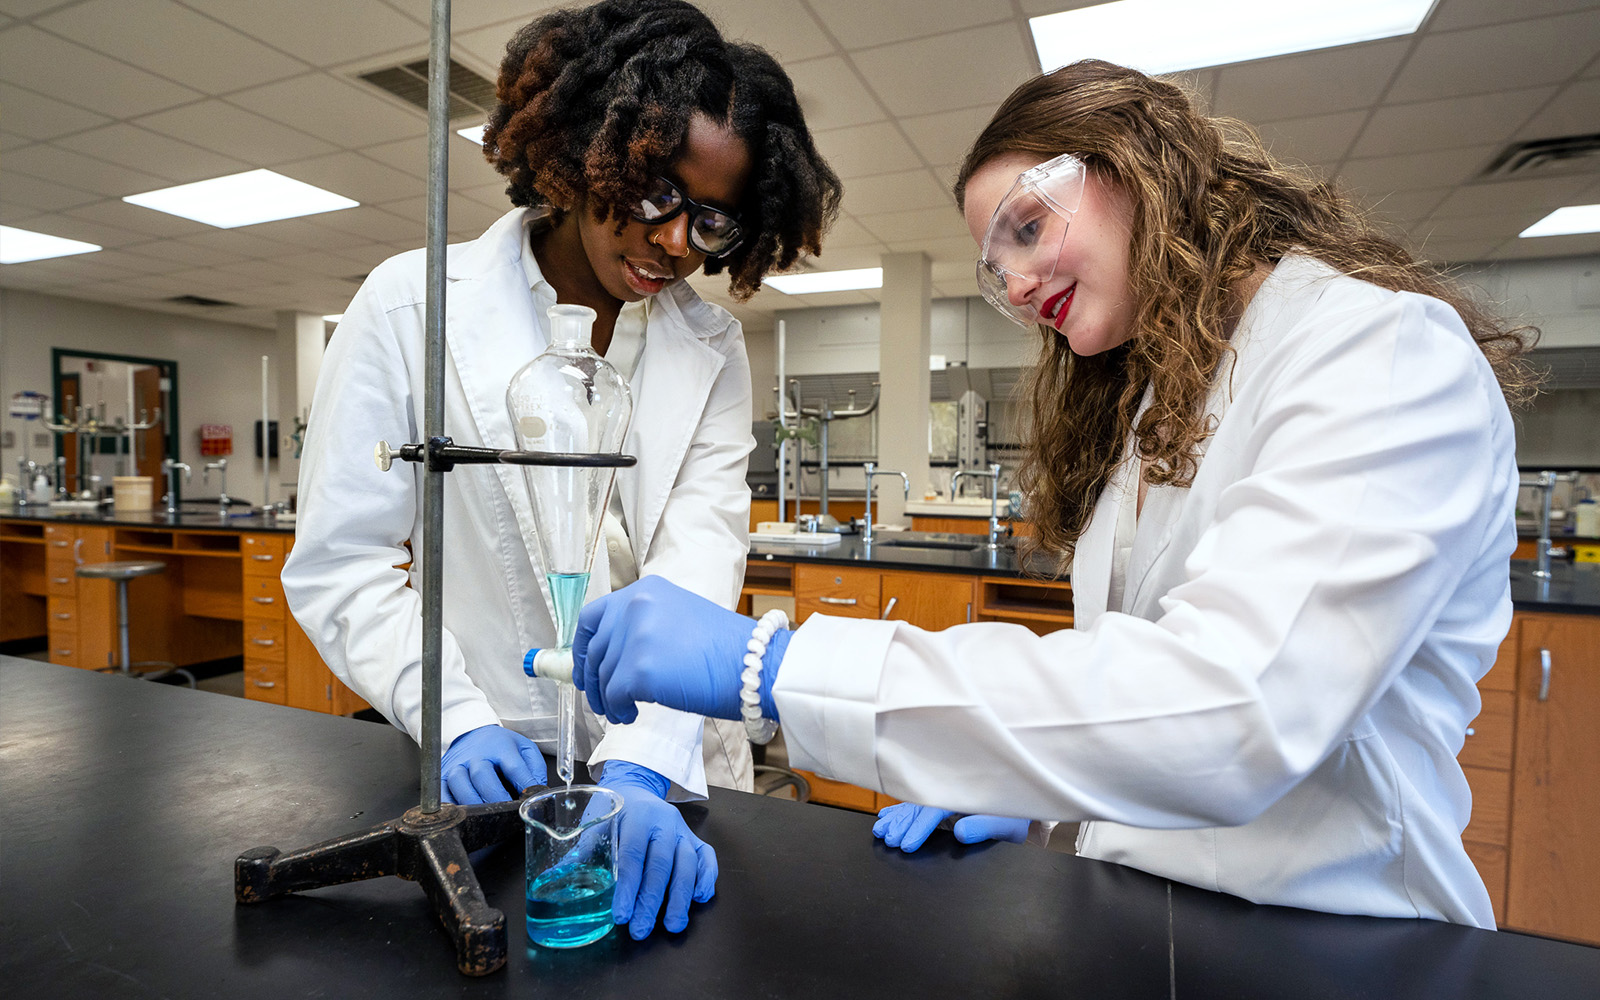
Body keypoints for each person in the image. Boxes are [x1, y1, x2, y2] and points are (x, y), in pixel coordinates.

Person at [566, 59, 1539, 929]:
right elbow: (1124, 692)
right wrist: (1037, 793)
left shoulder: (1377, 351)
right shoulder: (1164, 400)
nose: (1020, 282)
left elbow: (1229, 709)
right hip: (1151, 914)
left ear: (1138, 165)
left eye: (1028, 228)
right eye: (997, 267)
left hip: (1342, 936)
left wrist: (768, 664)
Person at [283, 0, 839, 941]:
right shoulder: (409, 306)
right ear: (592, 157)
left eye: (712, 223)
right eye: (657, 193)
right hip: (495, 776)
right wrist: (453, 717)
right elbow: (345, 561)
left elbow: (698, 553)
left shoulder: (713, 346)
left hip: (669, 778)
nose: (673, 244)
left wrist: (644, 765)